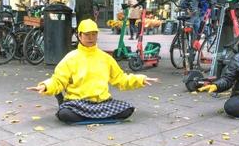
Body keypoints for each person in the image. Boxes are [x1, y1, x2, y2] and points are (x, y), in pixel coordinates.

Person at [27, 19, 158, 123]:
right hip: (78, 103)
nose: (90, 38)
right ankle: (97, 117)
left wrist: (140, 79)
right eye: (87, 34)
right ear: (79, 35)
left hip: (102, 103)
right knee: (65, 114)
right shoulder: (71, 57)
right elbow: (58, 80)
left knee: (127, 109)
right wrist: (45, 86)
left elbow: (121, 79)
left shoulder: (105, 58)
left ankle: (90, 117)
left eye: (94, 34)